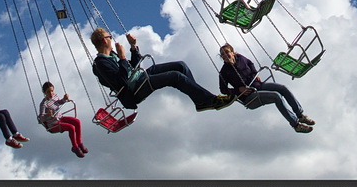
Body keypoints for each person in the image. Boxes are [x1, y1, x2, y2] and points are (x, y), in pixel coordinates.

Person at [90, 28, 234, 113]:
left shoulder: (112, 56)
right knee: (175, 77)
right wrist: (122, 58)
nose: (112, 38)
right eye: (110, 36)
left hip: (140, 76)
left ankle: (201, 100)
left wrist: (133, 47)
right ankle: (210, 100)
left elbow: (133, 65)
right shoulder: (101, 63)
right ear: (105, 40)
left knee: (181, 65)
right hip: (135, 88)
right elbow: (120, 82)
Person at [217, 43, 314, 133]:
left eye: (227, 52)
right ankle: (296, 125)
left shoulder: (240, 58)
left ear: (233, 52)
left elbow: (250, 63)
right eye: (222, 54)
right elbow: (223, 90)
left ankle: (300, 115)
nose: (225, 55)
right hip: (249, 97)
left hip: (258, 85)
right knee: (276, 96)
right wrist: (239, 90)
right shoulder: (224, 72)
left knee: (283, 88)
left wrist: (254, 72)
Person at [38, 81, 86, 158]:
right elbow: (40, 119)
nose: (51, 93)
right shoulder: (44, 104)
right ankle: (75, 147)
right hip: (53, 124)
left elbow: (59, 103)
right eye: (48, 92)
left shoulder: (55, 96)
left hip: (60, 118)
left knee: (77, 122)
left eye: (52, 91)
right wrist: (47, 115)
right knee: (71, 127)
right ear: (44, 92)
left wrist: (65, 98)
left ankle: (79, 143)